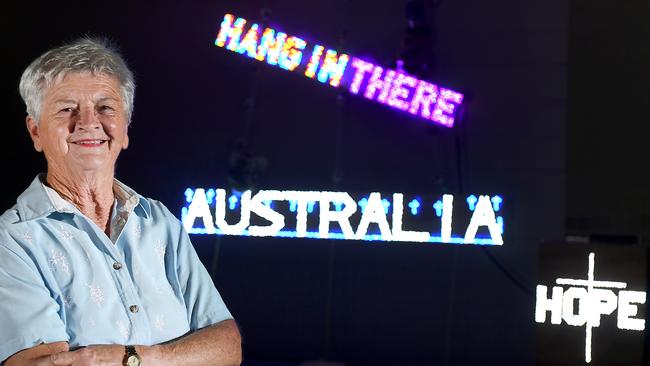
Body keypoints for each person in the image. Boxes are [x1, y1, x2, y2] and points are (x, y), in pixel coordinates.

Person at [0, 37, 242, 366]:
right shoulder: (12, 241)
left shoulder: (159, 221)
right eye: (66, 109)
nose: (88, 122)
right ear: (35, 131)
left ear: (125, 129)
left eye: (105, 107)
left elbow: (227, 346)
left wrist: (130, 358)